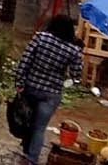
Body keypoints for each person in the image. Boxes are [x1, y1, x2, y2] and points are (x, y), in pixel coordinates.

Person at [15, 15, 84, 165]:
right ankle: (32, 159)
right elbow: (76, 75)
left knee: (27, 120)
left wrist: (19, 81)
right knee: (39, 128)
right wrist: (66, 81)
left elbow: (25, 60)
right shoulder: (73, 49)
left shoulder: (40, 38)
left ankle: (26, 149)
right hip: (52, 94)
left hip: (31, 87)